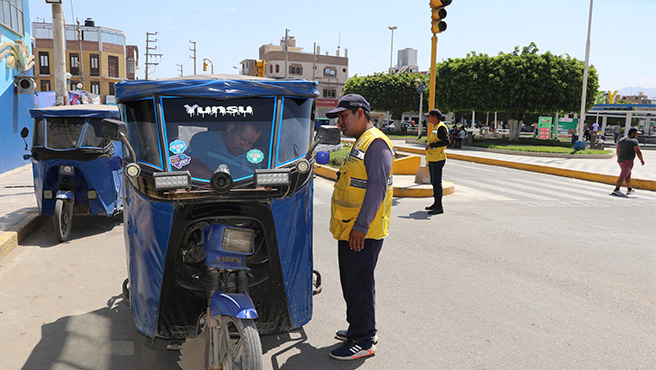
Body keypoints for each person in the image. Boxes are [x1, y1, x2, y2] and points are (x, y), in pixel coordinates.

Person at [325, 94, 393, 361]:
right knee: (354, 283)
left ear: (360, 113)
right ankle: (361, 329)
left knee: (358, 285)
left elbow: (376, 188)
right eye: (339, 118)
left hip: (363, 232)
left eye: (344, 116)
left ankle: (362, 341)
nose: (340, 122)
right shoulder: (361, 143)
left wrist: (361, 226)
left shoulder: (376, 144)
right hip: (351, 229)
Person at [185, 122, 263, 179]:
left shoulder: (254, 157)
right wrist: (220, 183)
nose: (244, 146)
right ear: (230, 127)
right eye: (242, 139)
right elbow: (191, 166)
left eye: (250, 143)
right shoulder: (204, 140)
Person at [424, 109, 449, 215]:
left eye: (429, 116)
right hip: (433, 159)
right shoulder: (436, 127)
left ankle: (439, 206)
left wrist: (432, 145)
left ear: (434, 117)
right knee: (434, 182)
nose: (427, 118)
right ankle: (435, 203)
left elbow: (446, 141)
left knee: (437, 183)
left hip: (438, 159)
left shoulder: (441, 127)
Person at [612, 127, 645, 196]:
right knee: (623, 175)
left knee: (627, 174)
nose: (637, 135)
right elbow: (638, 152)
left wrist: (619, 158)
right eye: (636, 134)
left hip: (621, 160)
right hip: (628, 161)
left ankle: (629, 188)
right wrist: (641, 160)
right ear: (632, 133)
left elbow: (618, 150)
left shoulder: (621, 139)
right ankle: (616, 189)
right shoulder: (634, 141)